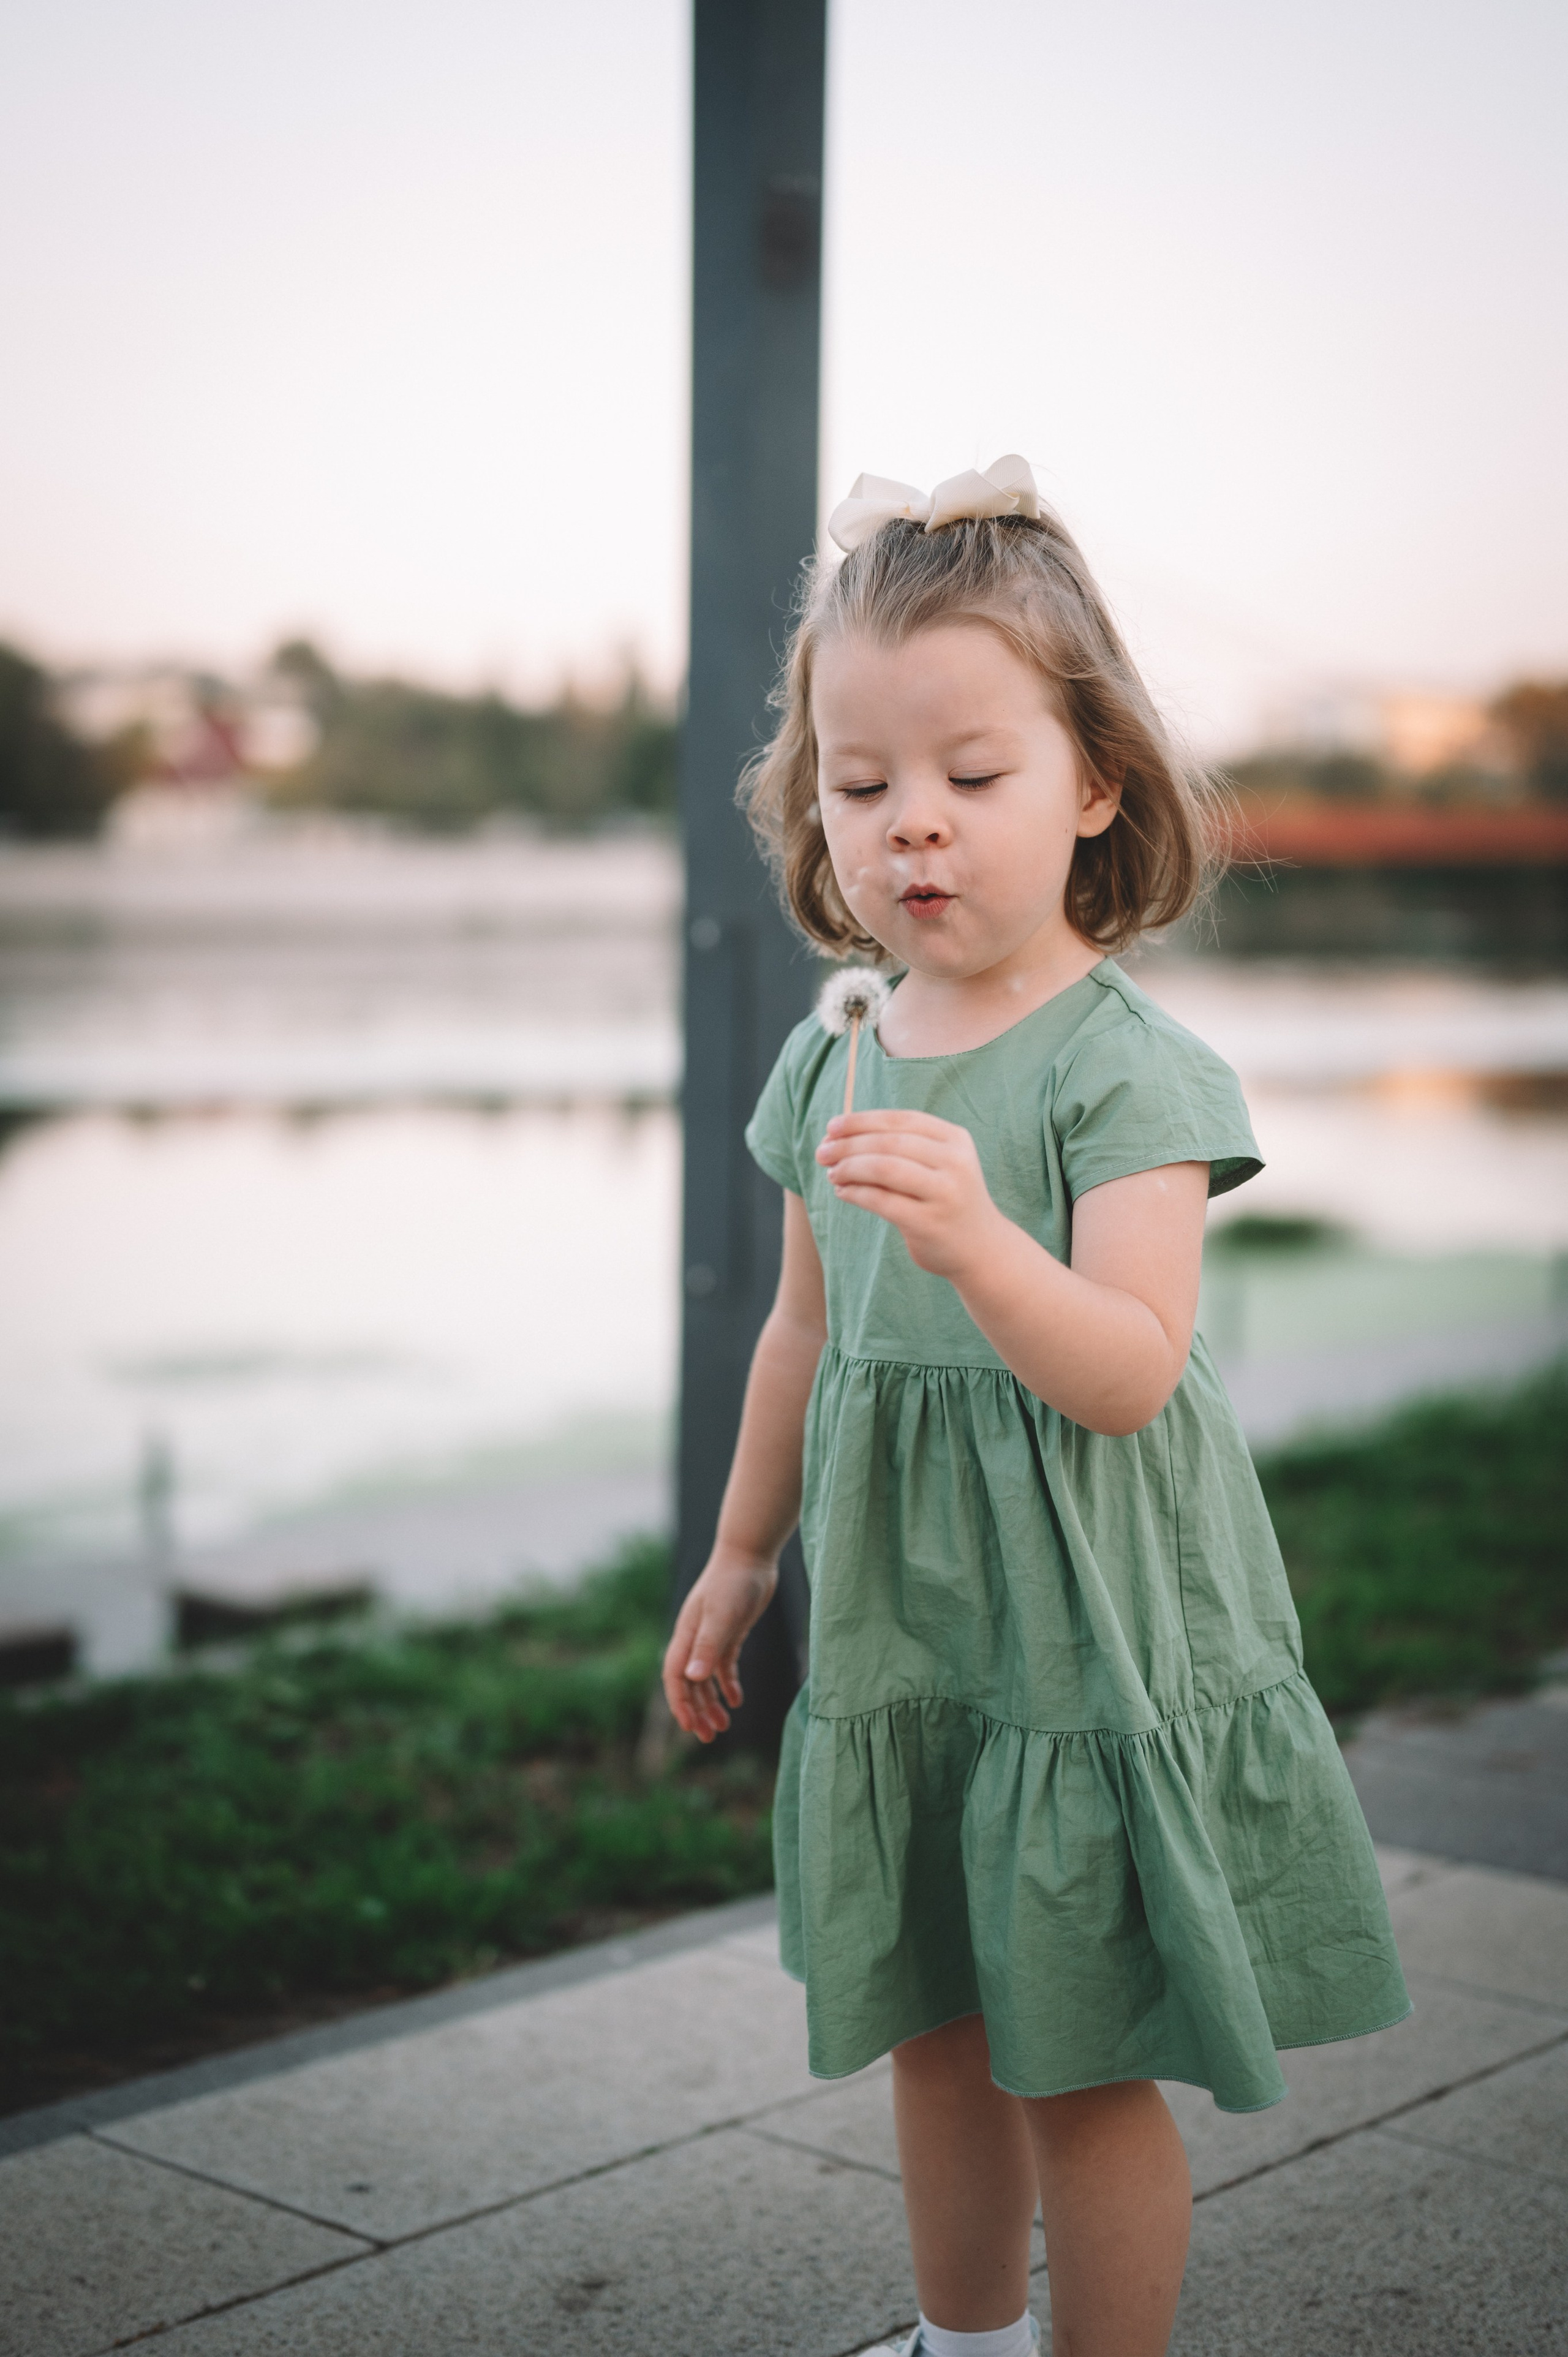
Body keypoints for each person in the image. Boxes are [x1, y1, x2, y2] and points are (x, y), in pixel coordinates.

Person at [662, 458, 1409, 2357]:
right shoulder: (832, 1050)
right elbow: (798, 1335)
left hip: (1087, 1621)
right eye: (860, 783)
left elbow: (1128, 1367)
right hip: (914, 1626)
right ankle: (965, 2340)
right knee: (938, 2025)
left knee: (1078, 2056)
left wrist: (989, 1243)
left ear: (1093, 788)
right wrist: (745, 1556)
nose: (911, 826)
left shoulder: (1125, 1069)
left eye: (970, 778)